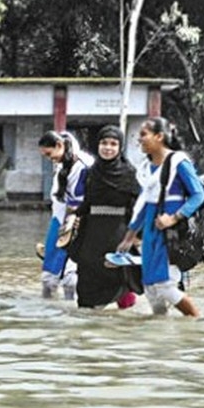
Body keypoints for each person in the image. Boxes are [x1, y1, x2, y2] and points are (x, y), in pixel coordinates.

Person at [117, 117, 203, 317]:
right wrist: (130, 236)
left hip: (170, 233)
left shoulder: (178, 162)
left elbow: (198, 194)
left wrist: (174, 217)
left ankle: (196, 321)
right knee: (150, 288)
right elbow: (143, 205)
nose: (140, 140)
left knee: (166, 286)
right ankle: (161, 329)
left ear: (159, 136)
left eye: (144, 135)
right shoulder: (145, 170)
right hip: (150, 232)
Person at [70, 125, 140, 309]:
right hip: (91, 232)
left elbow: (136, 207)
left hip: (117, 231)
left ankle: (123, 319)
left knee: (116, 272)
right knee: (87, 273)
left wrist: (135, 236)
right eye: (104, 143)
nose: (108, 148)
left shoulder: (129, 173)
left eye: (113, 144)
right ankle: (89, 322)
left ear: (120, 147)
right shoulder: (92, 172)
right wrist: (74, 215)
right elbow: (88, 201)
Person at [37, 131, 93, 302]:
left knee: (71, 277)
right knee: (48, 276)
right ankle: (47, 310)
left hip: (79, 222)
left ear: (59, 146)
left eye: (49, 154)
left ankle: (71, 312)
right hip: (59, 219)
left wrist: (71, 223)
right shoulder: (62, 165)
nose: (49, 158)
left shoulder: (83, 165)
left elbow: (79, 201)